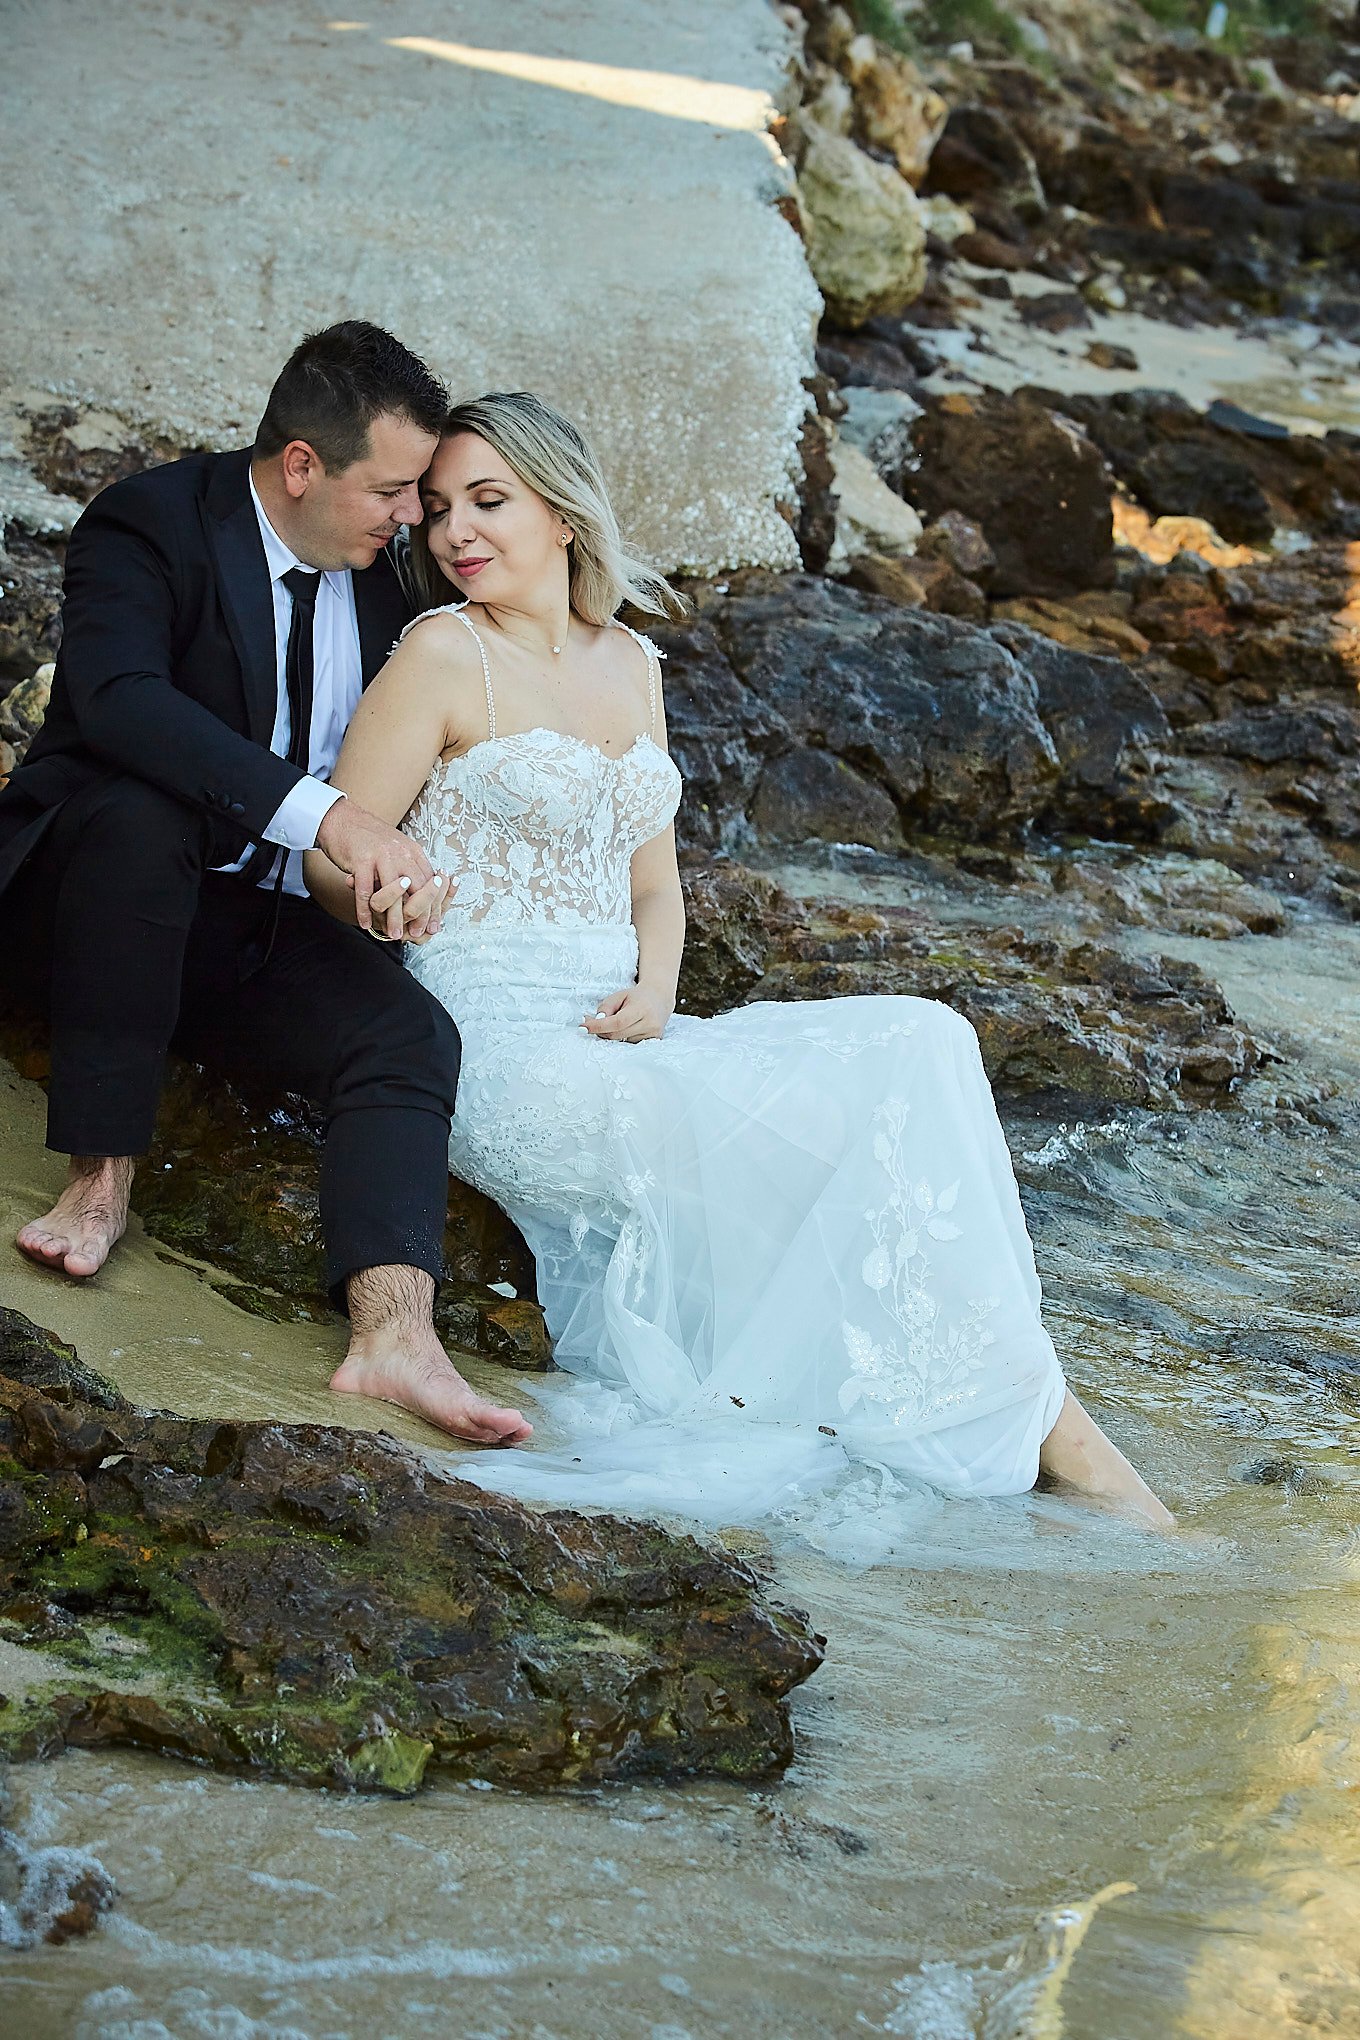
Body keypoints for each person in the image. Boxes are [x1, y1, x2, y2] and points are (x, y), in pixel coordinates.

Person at [305, 390, 1172, 1530]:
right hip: (506, 1051)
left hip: (628, 1027)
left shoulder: (633, 663)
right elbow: (333, 850)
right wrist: (380, 896)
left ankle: (1012, 1412)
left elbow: (653, 884)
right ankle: (1064, 1444)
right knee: (832, 1164)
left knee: (924, 1039)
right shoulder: (439, 655)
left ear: (561, 514)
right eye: (438, 512)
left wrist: (660, 989)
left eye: (488, 500)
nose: (455, 531)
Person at [1, 321, 529, 1447]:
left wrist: (384, 881)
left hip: (247, 919)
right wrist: (331, 817)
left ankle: (394, 1333)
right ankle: (100, 1178)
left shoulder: (390, 578)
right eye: (393, 490)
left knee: (408, 1036)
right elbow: (121, 701)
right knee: (144, 816)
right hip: (84, 901)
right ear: (302, 465)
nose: (411, 521)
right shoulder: (152, 522)